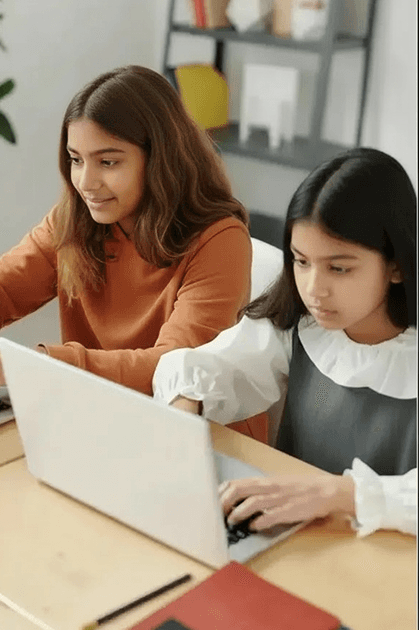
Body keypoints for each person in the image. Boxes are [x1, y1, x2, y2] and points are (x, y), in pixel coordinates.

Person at [0, 65, 266, 438]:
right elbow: (0, 287)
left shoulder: (220, 240)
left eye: (108, 162)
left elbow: (172, 369)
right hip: (103, 415)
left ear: (160, 159)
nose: (86, 183)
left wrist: (35, 363)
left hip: (204, 440)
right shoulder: (75, 219)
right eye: (76, 159)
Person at [154, 147, 417, 537]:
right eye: (301, 261)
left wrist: (340, 493)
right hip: (294, 539)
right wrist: (183, 411)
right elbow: (215, 367)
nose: (313, 289)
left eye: (338, 268)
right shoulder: (301, 326)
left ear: (396, 265)